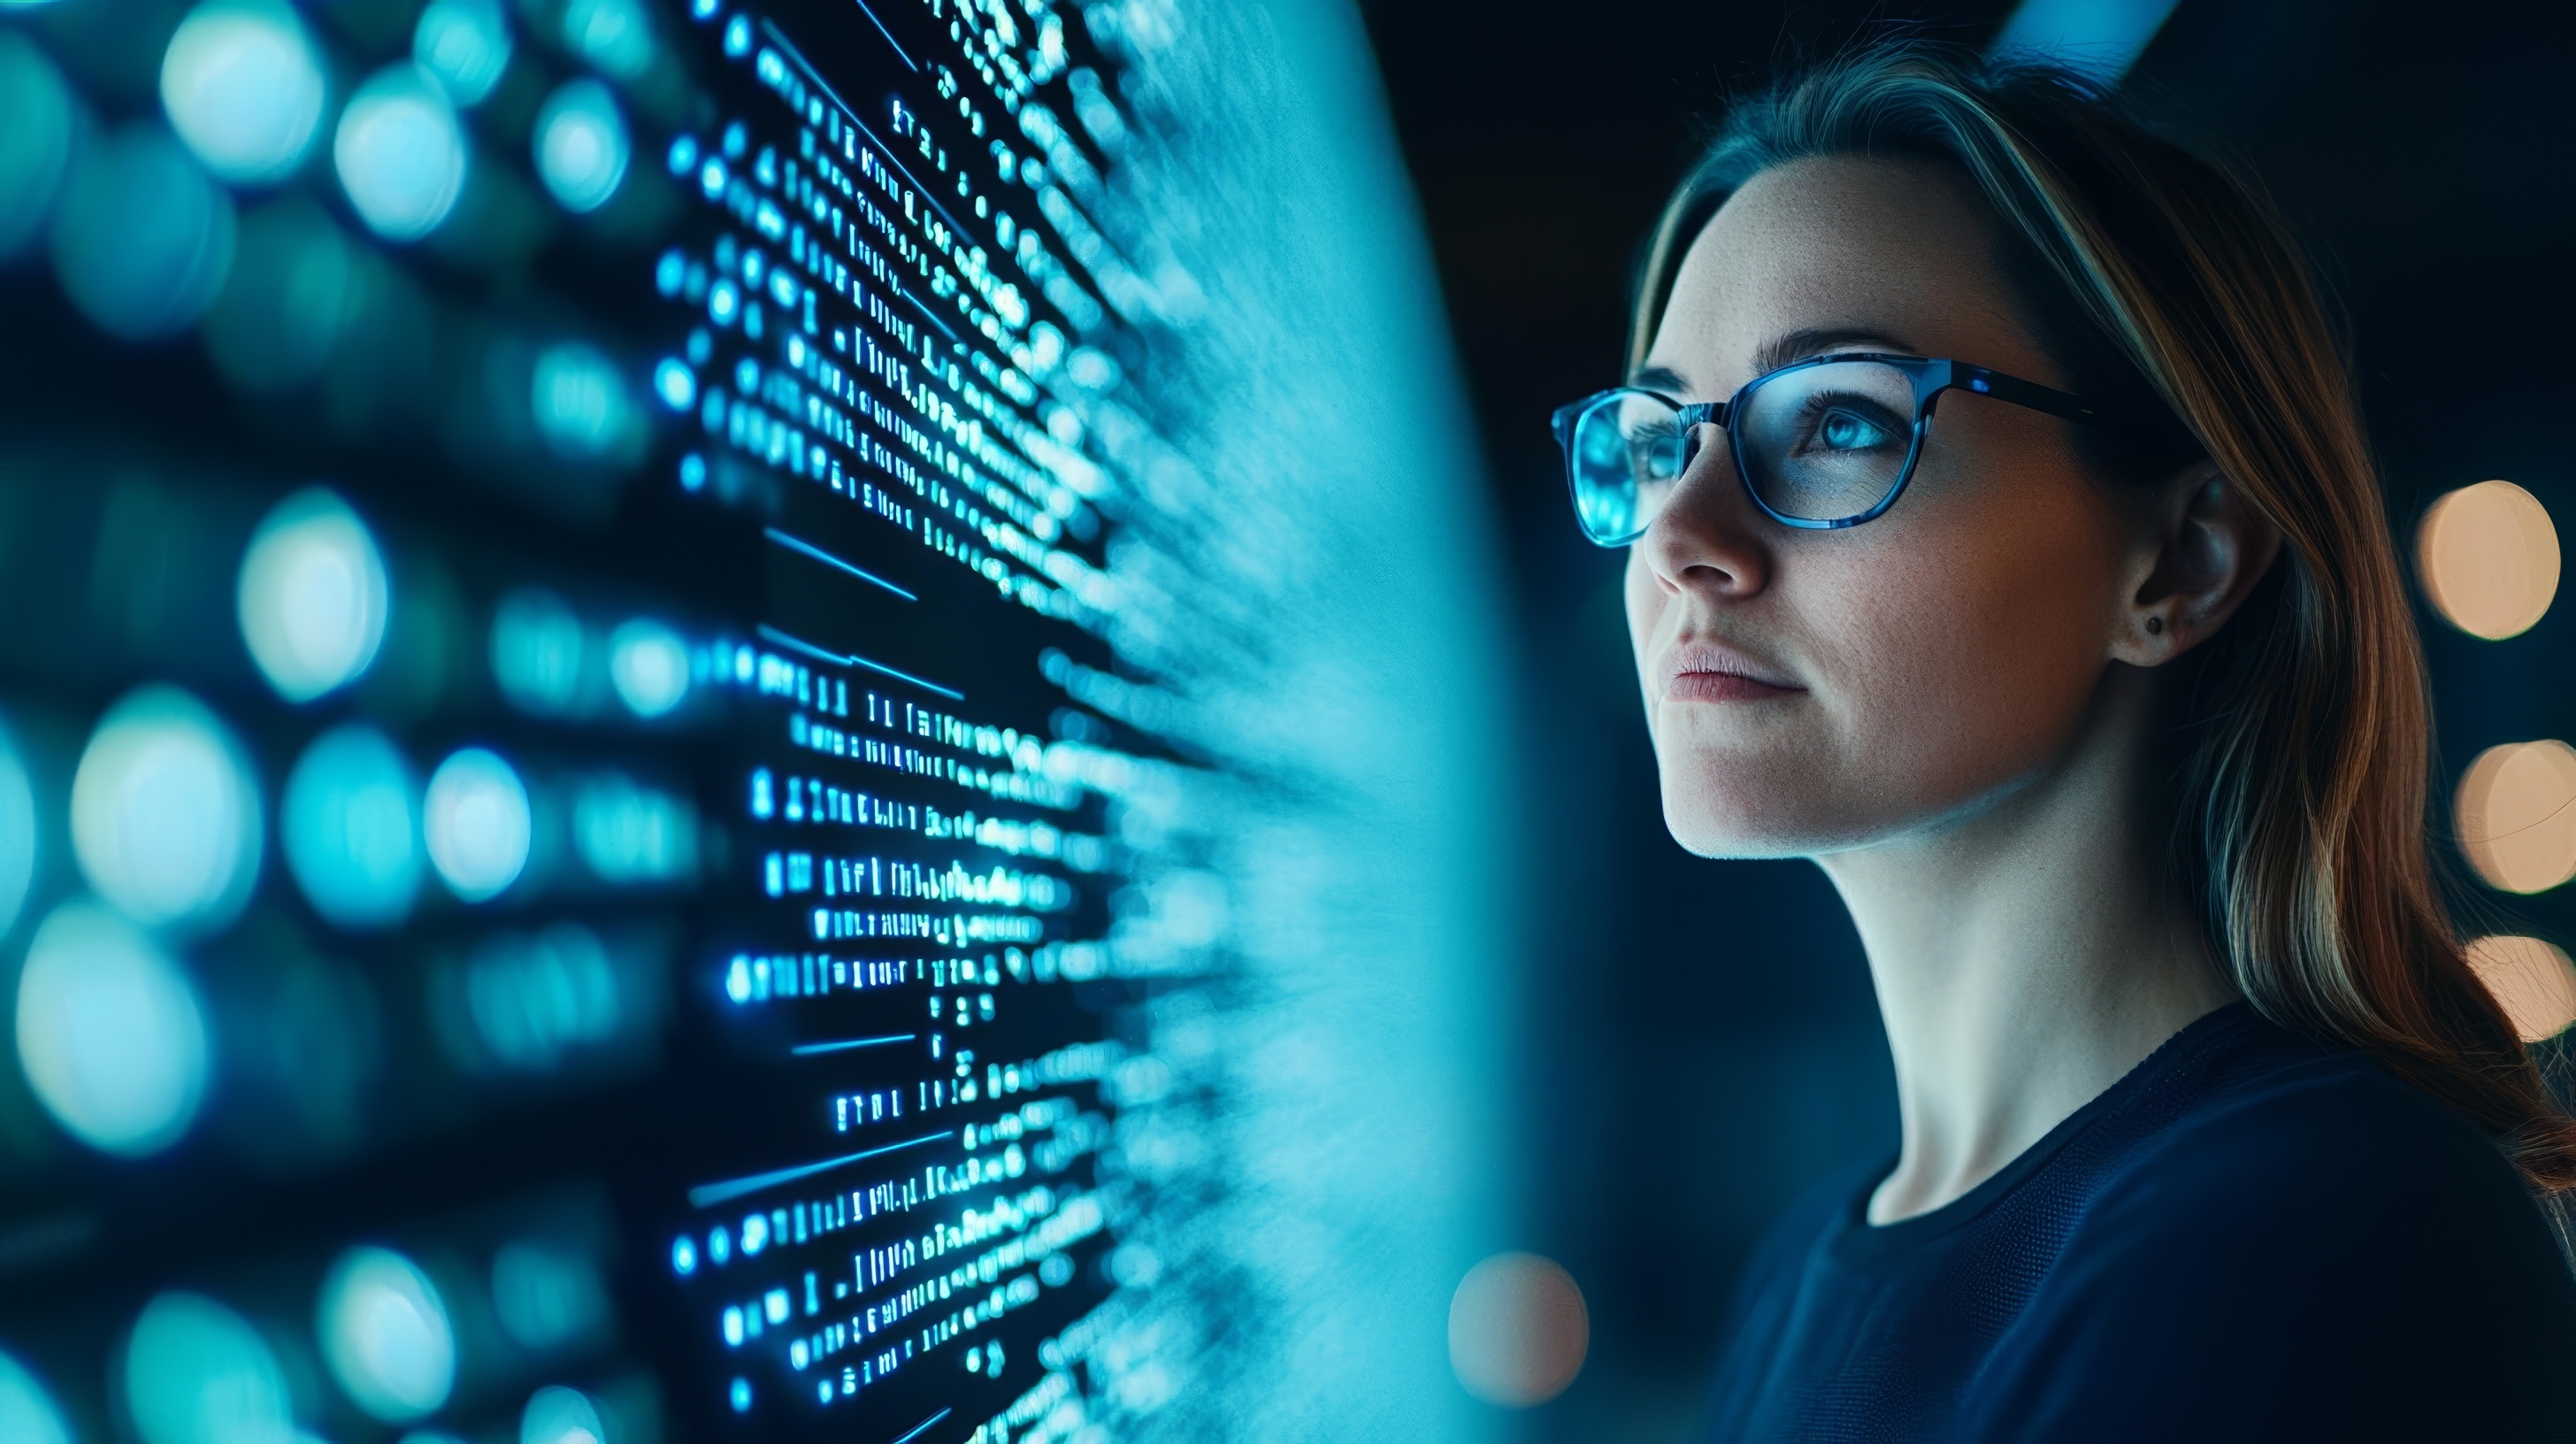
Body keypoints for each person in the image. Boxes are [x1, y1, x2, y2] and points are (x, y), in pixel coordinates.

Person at [1551, 42, 2576, 1441]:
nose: (1680, 538)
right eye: (1661, 441)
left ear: (2183, 562)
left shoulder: (2323, 1228)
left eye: (1840, 420)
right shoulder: (1804, 1265)